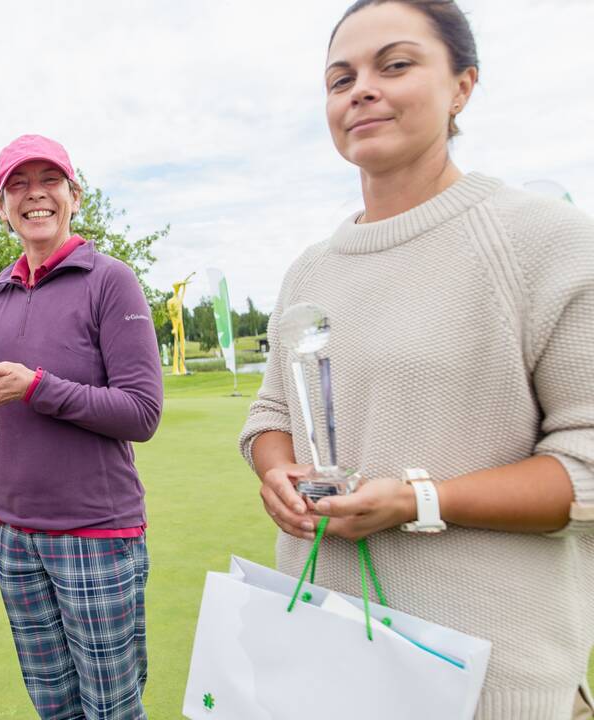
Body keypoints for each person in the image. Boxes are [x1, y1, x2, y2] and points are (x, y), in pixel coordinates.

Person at [239, 2, 594, 718]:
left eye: (394, 65)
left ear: (463, 85)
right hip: (322, 660)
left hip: (489, 678)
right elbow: (270, 414)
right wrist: (275, 468)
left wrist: (416, 500)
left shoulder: (545, 241)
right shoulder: (309, 269)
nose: (361, 90)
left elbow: (585, 464)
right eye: (341, 79)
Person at [0, 134, 163, 720]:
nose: (34, 195)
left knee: (111, 710)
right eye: (18, 184)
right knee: (54, 708)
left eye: (49, 182)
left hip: (95, 533)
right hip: (14, 535)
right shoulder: (2, 293)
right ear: (0, 204)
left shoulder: (109, 279)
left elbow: (141, 413)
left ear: (74, 195)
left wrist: (36, 388)